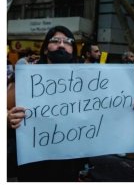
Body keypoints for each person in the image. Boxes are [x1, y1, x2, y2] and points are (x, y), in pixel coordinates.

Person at [7, 26, 87, 181]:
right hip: (32, 162)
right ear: (45, 49)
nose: (62, 45)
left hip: (68, 163)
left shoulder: (85, 81)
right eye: (55, 41)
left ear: (73, 50)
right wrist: (7, 118)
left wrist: (127, 106)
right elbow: (6, 106)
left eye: (68, 42)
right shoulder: (26, 77)